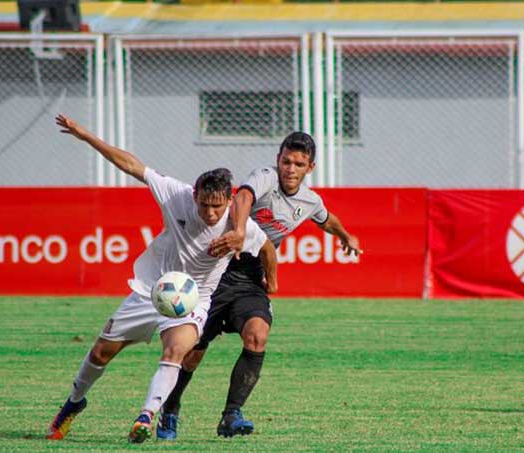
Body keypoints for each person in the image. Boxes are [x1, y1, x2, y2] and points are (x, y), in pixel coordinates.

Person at [46, 114, 278, 443]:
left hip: (193, 299)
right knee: (100, 353)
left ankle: (146, 416)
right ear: (194, 194)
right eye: (203, 205)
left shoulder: (240, 227)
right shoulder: (176, 195)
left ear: (228, 201)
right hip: (151, 290)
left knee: (175, 352)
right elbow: (131, 165)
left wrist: (272, 281)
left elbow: (268, 248)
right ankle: (73, 404)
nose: (210, 214)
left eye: (216, 207)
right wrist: (86, 136)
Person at [157, 131, 362, 439]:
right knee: (193, 351)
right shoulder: (266, 178)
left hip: (251, 278)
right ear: (277, 161)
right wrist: (238, 230)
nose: (290, 169)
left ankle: (231, 415)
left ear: (311, 168)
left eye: (298, 164)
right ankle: (169, 412)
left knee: (257, 335)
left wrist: (346, 235)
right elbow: (242, 196)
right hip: (217, 270)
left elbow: (326, 219)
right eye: (286, 161)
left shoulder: (309, 200)